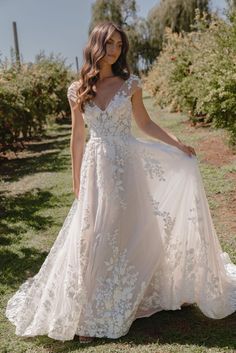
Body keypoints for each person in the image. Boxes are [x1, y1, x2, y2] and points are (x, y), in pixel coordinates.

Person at [5, 21, 236, 345]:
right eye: (109, 43)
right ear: (96, 44)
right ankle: (88, 312)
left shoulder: (130, 85)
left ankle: (133, 297)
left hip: (127, 167)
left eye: (118, 45)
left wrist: (177, 144)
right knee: (94, 235)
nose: (114, 50)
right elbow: (77, 138)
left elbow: (145, 123)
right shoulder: (77, 89)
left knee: (128, 230)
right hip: (96, 168)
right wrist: (76, 180)